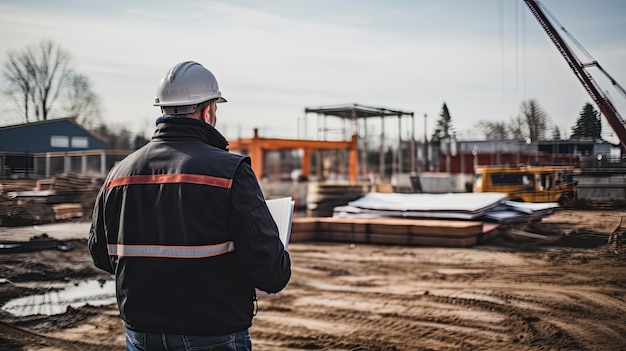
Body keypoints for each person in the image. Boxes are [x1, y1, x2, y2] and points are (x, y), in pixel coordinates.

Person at [88, 61, 291, 351]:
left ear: (162, 110)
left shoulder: (119, 174)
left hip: (141, 336)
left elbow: (101, 254)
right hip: (213, 335)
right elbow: (270, 271)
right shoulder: (230, 171)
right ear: (207, 110)